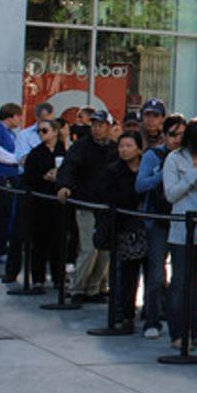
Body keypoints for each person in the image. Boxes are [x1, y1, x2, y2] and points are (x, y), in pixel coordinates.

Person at [163, 116, 197, 350]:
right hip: (182, 230)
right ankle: (177, 333)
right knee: (180, 283)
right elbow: (171, 194)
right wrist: (195, 174)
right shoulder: (174, 160)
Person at [57, 109, 118, 302]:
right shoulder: (82, 146)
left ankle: (96, 287)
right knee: (89, 248)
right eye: (94, 125)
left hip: (108, 205)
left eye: (101, 125)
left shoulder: (115, 149)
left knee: (105, 250)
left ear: (109, 127)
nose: (97, 129)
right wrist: (64, 186)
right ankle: (77, 288)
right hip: (86, 203)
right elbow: (69, 166)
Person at [135, 114, 185, 339]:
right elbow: (140, 185)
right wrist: (163, 175)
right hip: (157, 221)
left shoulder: (190, 156)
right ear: (164, 135)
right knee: (155, 274)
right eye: (173, 134)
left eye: (182, 134)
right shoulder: (153, 155)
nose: (177, 139)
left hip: (182, 220)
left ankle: (176, 320)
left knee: (180, 277)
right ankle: (151, 319)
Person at [98, 131, 148, 334]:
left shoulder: (147, 168)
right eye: (121, 146)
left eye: (128, 146)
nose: (124, 150)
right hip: (123, 228)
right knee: (124, 274)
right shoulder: (112, 171)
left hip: (145, 227)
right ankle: (123, 315)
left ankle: (149, 312)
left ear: (138, 148)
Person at [19, 118, 64, 287]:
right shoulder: (36, 153)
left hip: (57, 202)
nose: (41, 134)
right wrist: (45, 176)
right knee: (39, 241)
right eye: (39, 131)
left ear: (55, 132)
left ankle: (58, 277)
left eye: (45, 130)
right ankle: (38, 278)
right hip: (40, 202)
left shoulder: (61, 150)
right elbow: (29, 177)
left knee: (58, 241)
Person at [0, 103, 23, 278]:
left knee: (5, 215)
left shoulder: (9, 133)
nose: (20, 119)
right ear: (11, 116)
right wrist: (18, 160)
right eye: (19, 116)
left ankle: (0, 247)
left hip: (8, 178)